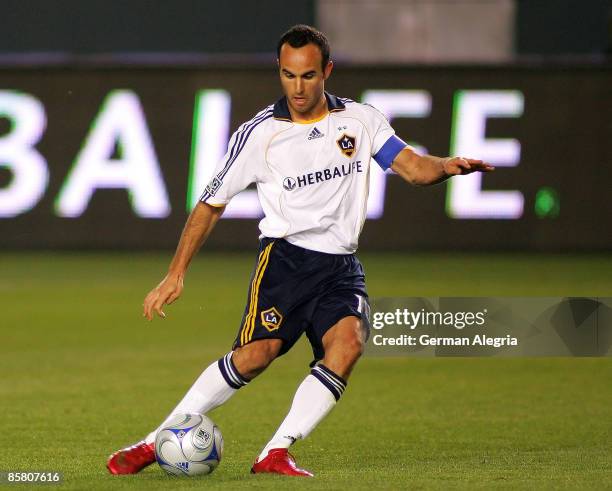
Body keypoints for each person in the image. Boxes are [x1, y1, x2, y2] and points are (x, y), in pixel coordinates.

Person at [106, 24, 494, 478]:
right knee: (256, 355)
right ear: (279, 71)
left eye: (308, 76)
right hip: (287, 261)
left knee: (348, 345)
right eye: (288, 75)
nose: (297, 87)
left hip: (341, 266)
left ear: (326, 71)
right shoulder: (259, 134)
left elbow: (412, 168)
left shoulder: (360, 120)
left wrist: (446, 166)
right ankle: (155, 443)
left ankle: (276, 451)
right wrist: (176, 272)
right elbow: (210, 205)